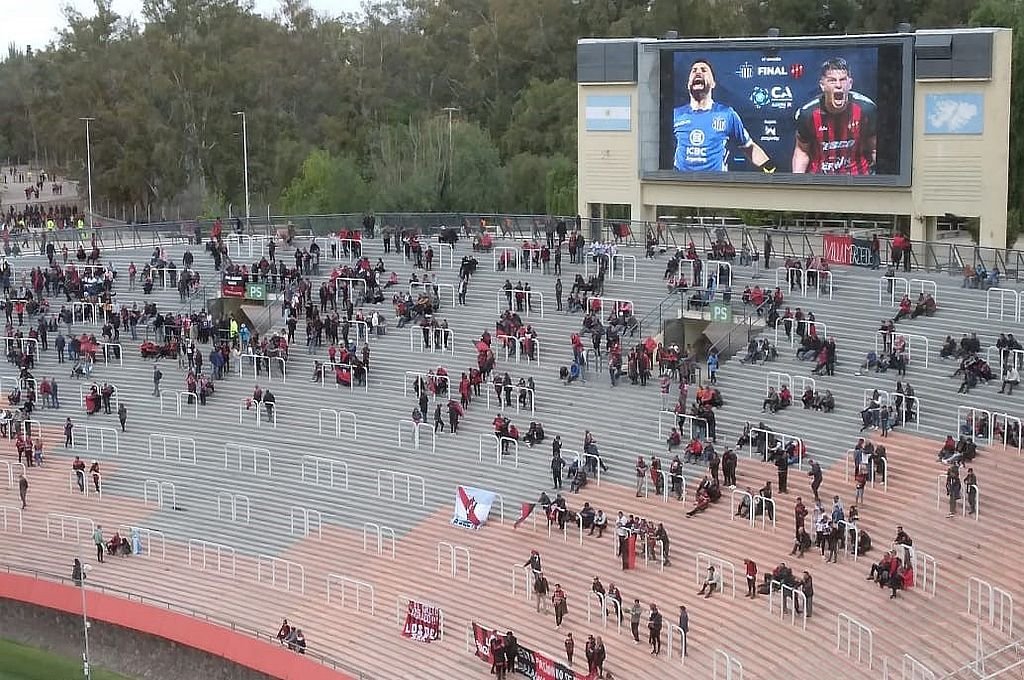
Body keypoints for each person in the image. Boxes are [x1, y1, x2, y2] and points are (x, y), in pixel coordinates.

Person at [671, 59, 775, 173]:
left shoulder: (727, 114)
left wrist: (771, 170)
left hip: (716, 186)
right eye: (694, 70)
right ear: (688, 84)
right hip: (682, 185)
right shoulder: (675, 115)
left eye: (704, 70)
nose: (698, 72)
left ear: (713, 83)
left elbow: (749, 147)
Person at [792, 57, 878, 175]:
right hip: (819, 181)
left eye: (843, 80)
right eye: (832, 80)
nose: (838, 85)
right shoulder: (807, 114)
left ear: (850, 84)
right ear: (822, 85)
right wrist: (798, 186)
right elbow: (802, 151)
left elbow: (874, 149)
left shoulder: (867, 109)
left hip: (858, 180)